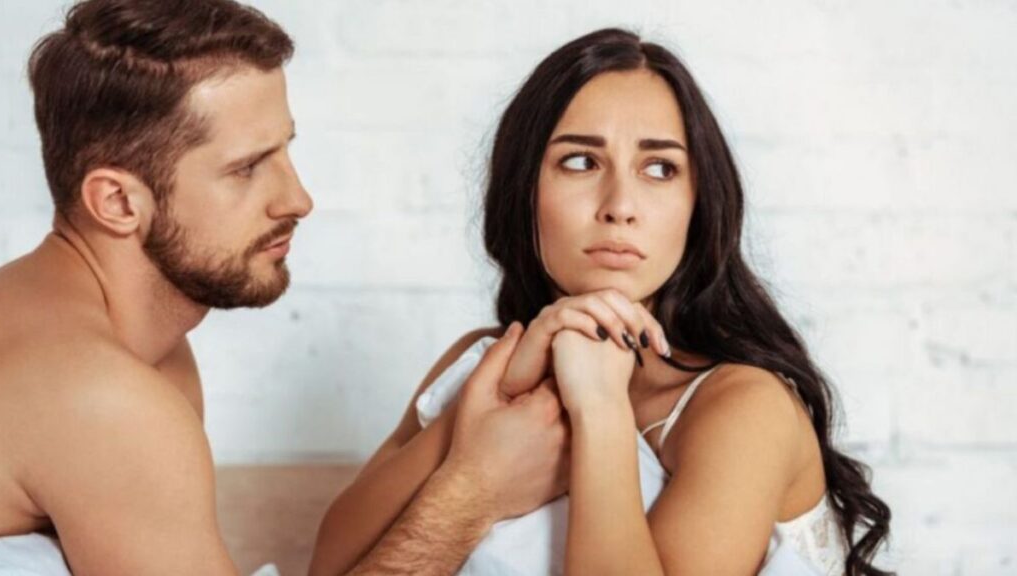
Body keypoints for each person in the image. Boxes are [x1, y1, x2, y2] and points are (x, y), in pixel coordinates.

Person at [0, 2, 564, 574]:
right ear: (118, 202)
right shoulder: (104, 398)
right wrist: (473, 496)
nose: (298, 199)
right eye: (246, 169)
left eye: (285, 151)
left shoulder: (123, 345)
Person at [312, 28, 893, 576]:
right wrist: (488, 410)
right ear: (525, 192)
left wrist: (600, 406)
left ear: (699, 205)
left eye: (659, 169)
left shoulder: (742, 407)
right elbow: (332, 565)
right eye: (581, 162)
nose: (620, 205)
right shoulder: (482, 356)